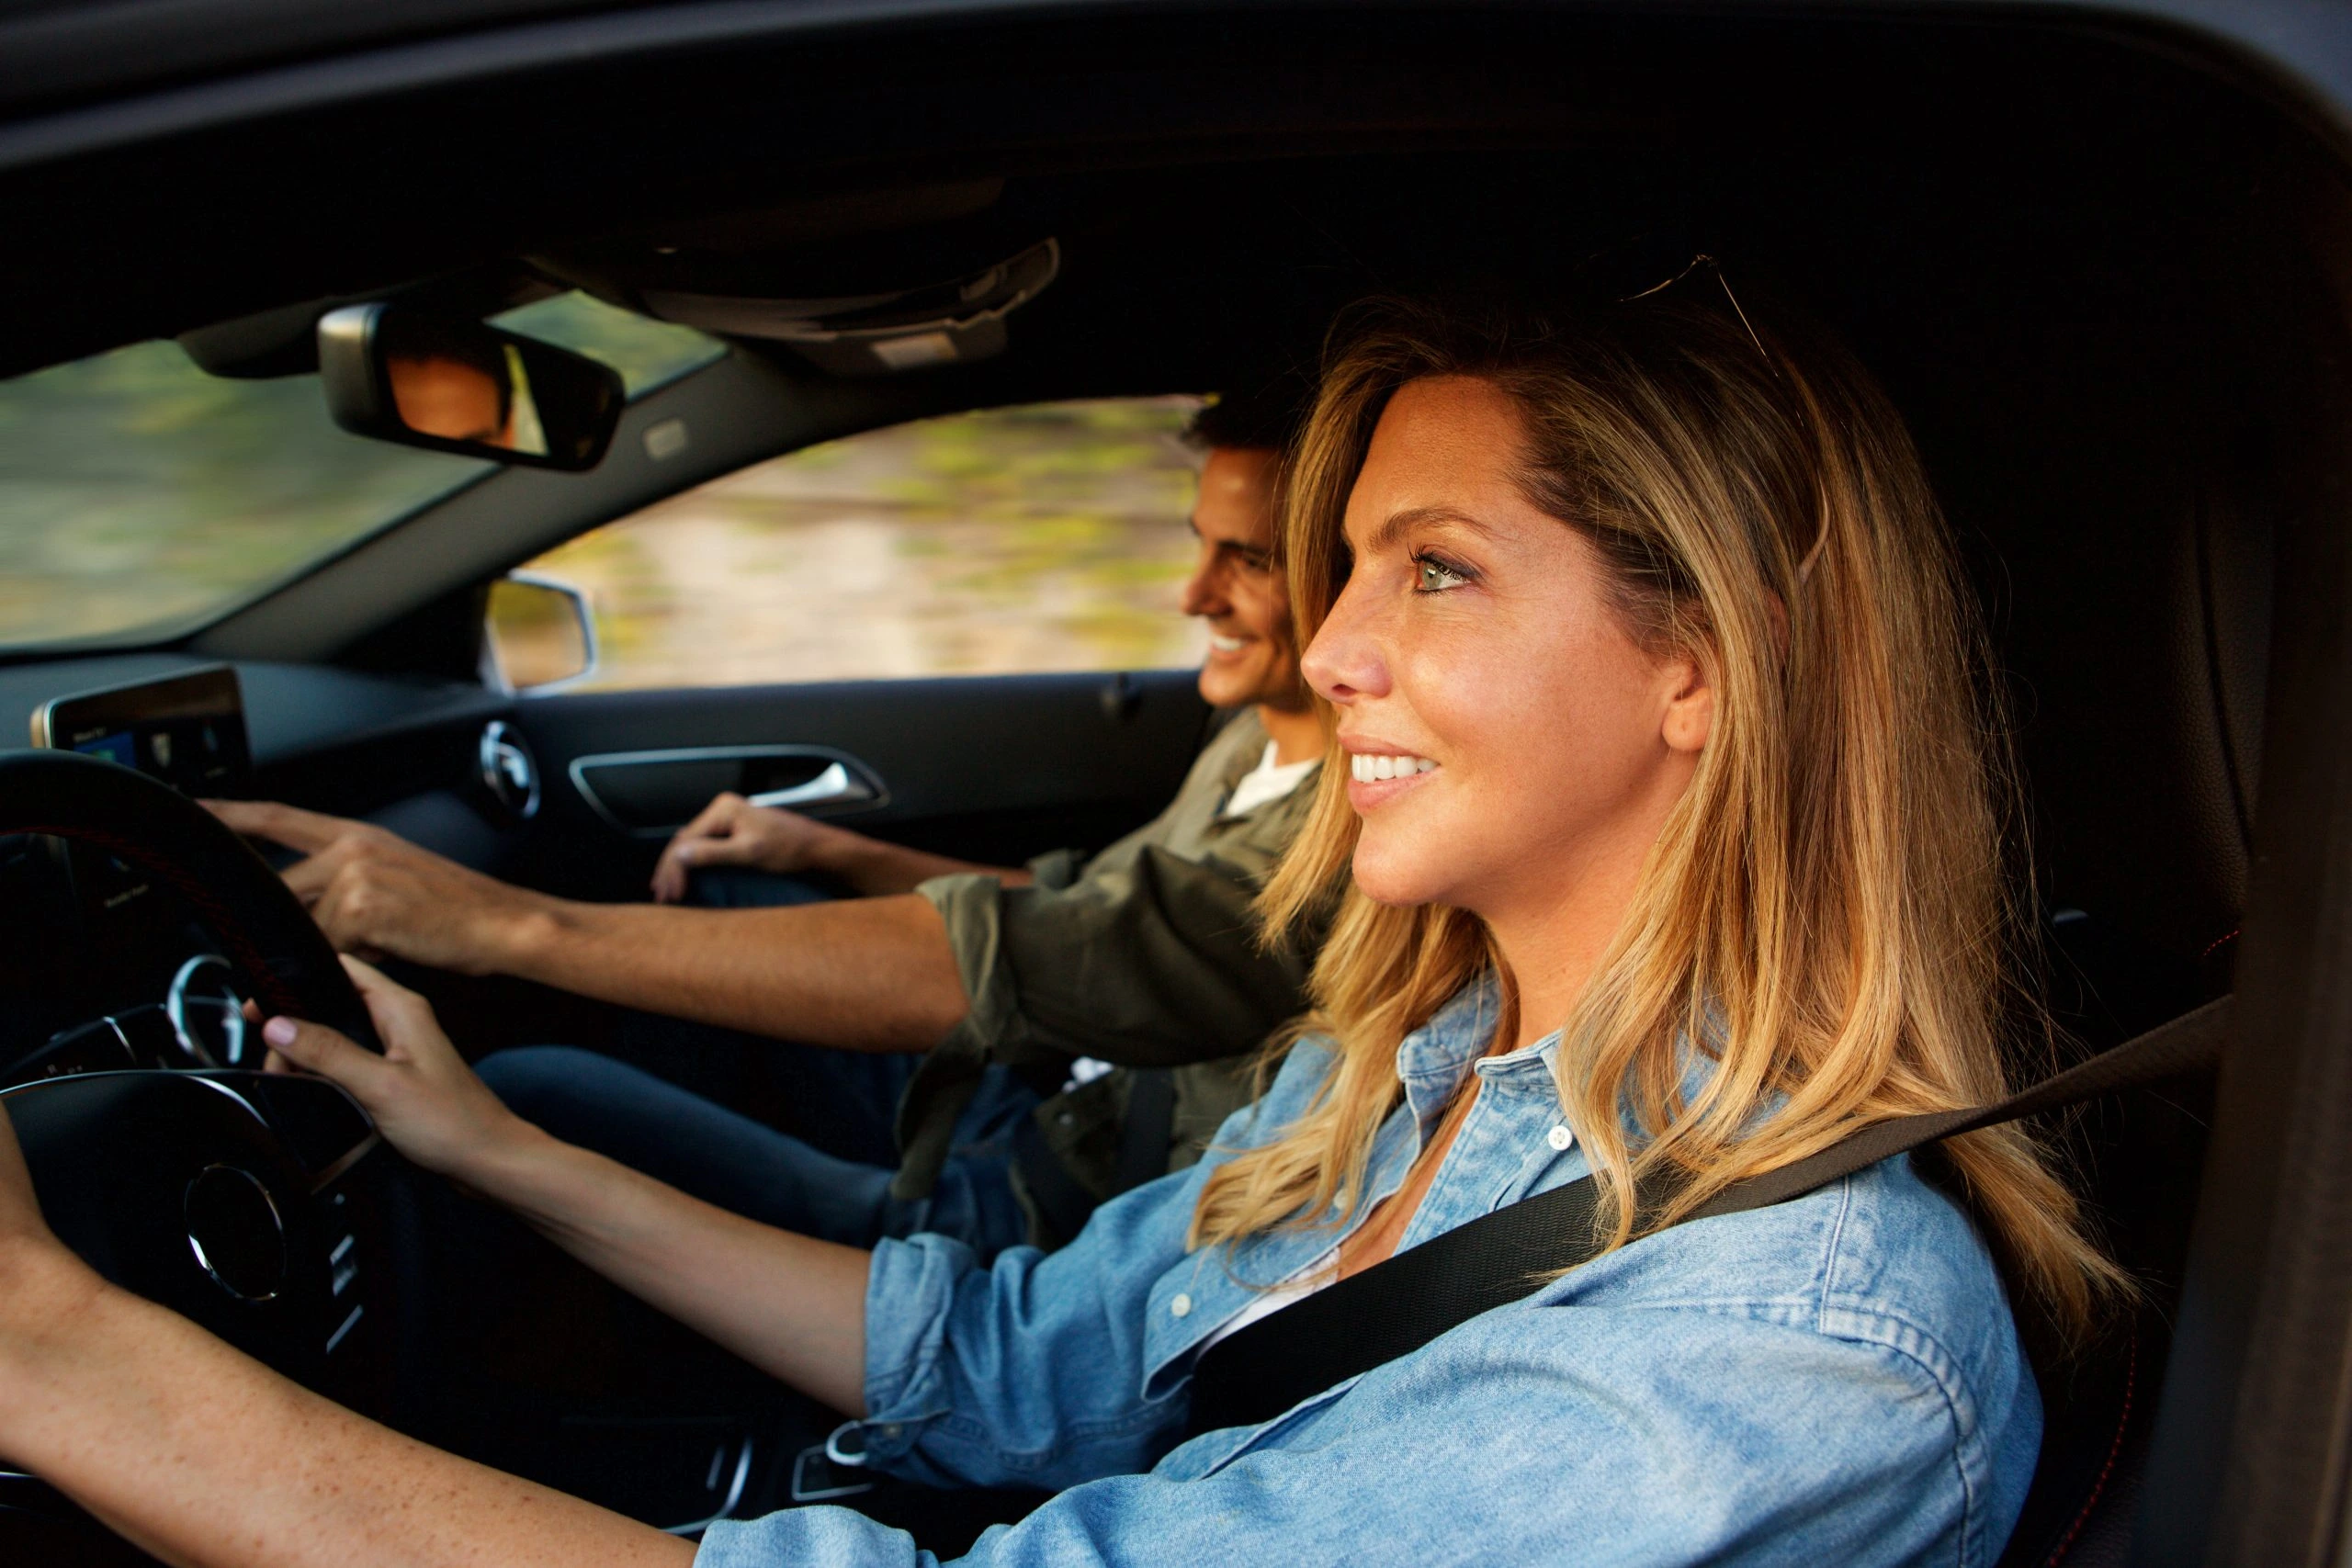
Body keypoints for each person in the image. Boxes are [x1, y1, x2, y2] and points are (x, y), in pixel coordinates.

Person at [0, 285, 2123, 1565]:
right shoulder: (1419, 1059)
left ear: (1701, 666)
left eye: (1433, 567)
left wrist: (65, 1356)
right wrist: (492, 1147)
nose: (1332, 651)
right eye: (1340, 568)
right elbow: (1003, 1358)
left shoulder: (1773, 1348)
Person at [208, 389, 1326, 1257]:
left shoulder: (1343, 842)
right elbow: (1082, 910)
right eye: (1198, 543)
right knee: (728, 887)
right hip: (1031, 1086)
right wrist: (826, 847)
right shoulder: (1260, 732)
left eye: (1251, 560)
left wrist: (501, 924)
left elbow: (1007, 968)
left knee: (533, 1092)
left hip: (1053, 1201)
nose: (1192, 595)